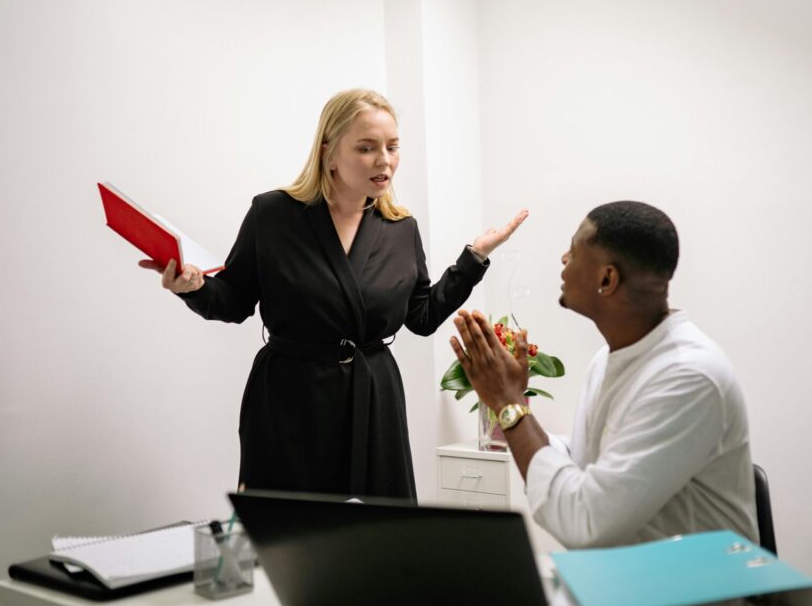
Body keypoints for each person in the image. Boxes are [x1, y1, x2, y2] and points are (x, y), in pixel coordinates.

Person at [140, 88, 526, 502]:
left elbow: (422, 316)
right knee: (290, 533)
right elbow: (233, 299)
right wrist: (195, 287)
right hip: (289, 398)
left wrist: (473, 259)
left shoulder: (400, 229)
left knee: (375, 539)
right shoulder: (273, 215)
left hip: (373, 398)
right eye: (366, 148)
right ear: (329, 152)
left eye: (393, 147)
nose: (385, 160)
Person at [450, 201, 757, 548]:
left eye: (574, 250)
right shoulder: (608, 359)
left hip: (697, 594)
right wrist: (511, 402)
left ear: (607, 278)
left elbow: (585, 524)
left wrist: (508, 404)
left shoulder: (689, 377)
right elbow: (581, 455)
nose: (563, 260)